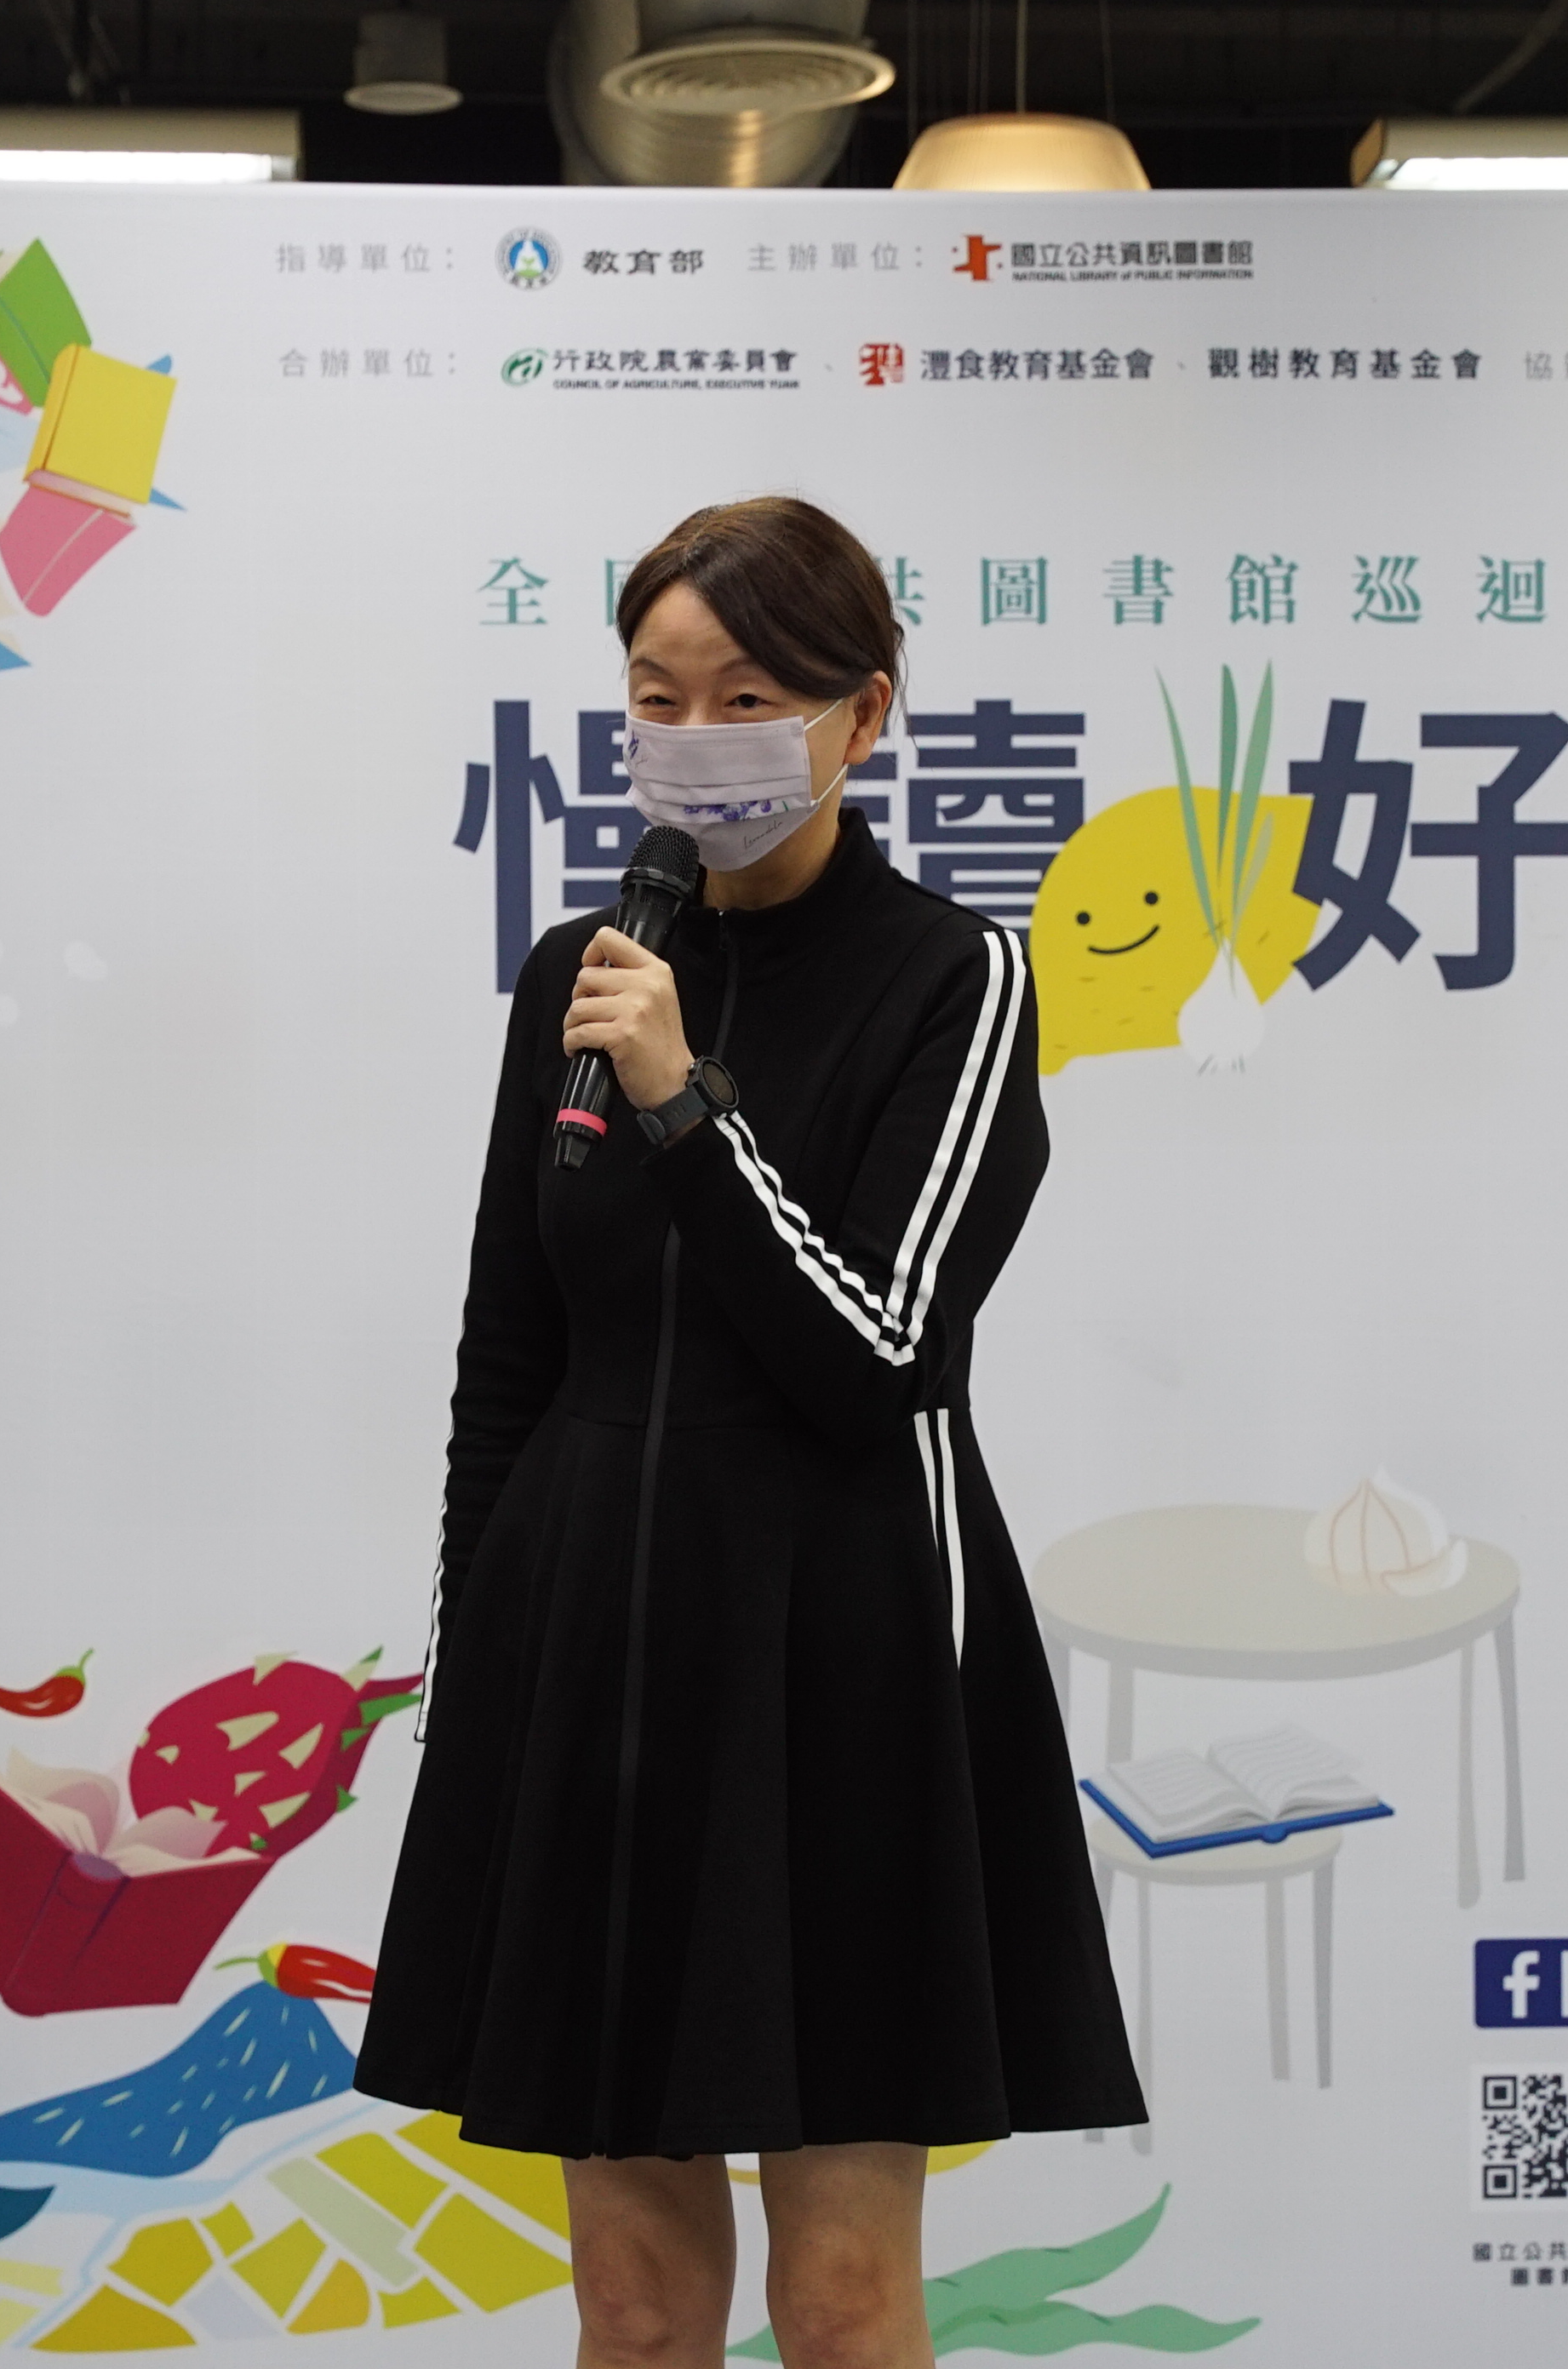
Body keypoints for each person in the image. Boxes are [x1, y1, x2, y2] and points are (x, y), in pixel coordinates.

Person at [355, 495, 1145, 2369]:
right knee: (630, 2304)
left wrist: (685, 1103)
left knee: (844, 2299)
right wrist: (484, 1667)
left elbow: (877, 1354)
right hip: (593, 1660)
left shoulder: (953, 979)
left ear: (862, 715)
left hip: (841, 1670)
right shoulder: (579, 972)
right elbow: (508, 1351)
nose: (692, 735)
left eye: (746, 698)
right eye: (656, 696)